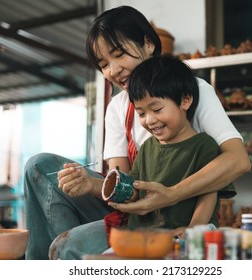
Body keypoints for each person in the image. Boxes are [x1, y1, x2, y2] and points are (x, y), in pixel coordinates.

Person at [23, 5, 250, 260]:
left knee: (69, 246)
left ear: (149, 44)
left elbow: (238, 160)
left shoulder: (193, 90)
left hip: (181, 215)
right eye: (104, 65)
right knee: (37, 166)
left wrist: (170, 196)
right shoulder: (118, 108)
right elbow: (123, 184)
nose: (114, 70)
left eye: (119, 55)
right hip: (138, 214)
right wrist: (92, 185)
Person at [50, 54, 236, 259]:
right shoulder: (147, 147)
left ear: (185, 100)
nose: (149, 120)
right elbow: (133, 190)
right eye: (141, 113)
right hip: (144, 234)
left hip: (184, 232)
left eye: (156, 109)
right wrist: (95, 184)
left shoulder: (204, 145)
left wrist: (193, 228)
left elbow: (208, 192)